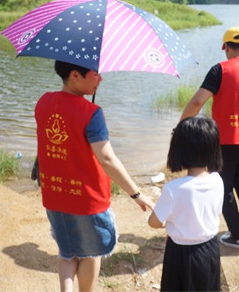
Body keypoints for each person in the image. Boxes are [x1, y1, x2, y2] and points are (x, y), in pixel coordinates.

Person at [35, 60, 154, 292]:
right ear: (75, 76)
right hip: (86, 200)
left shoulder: (43, 102)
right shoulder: (92, 113)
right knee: (90, 254)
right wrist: (137, 194)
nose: (101, 79)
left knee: (67, 252)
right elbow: (107, 159)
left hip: (54, 195)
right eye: (95, 74)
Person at [180, 27, 239, 249]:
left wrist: (182, 125)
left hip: (226, 143)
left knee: (224, 185)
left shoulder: (220, 70)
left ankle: (237, 236)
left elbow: (197, 101)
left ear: (226, 48)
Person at [148, 116, 224, 291]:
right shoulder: (217, 180)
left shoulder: (174, 189)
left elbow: (153, 222)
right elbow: (213, 212)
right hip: (210, 248)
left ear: (179, 149)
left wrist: (170, 225)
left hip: (181, 254)